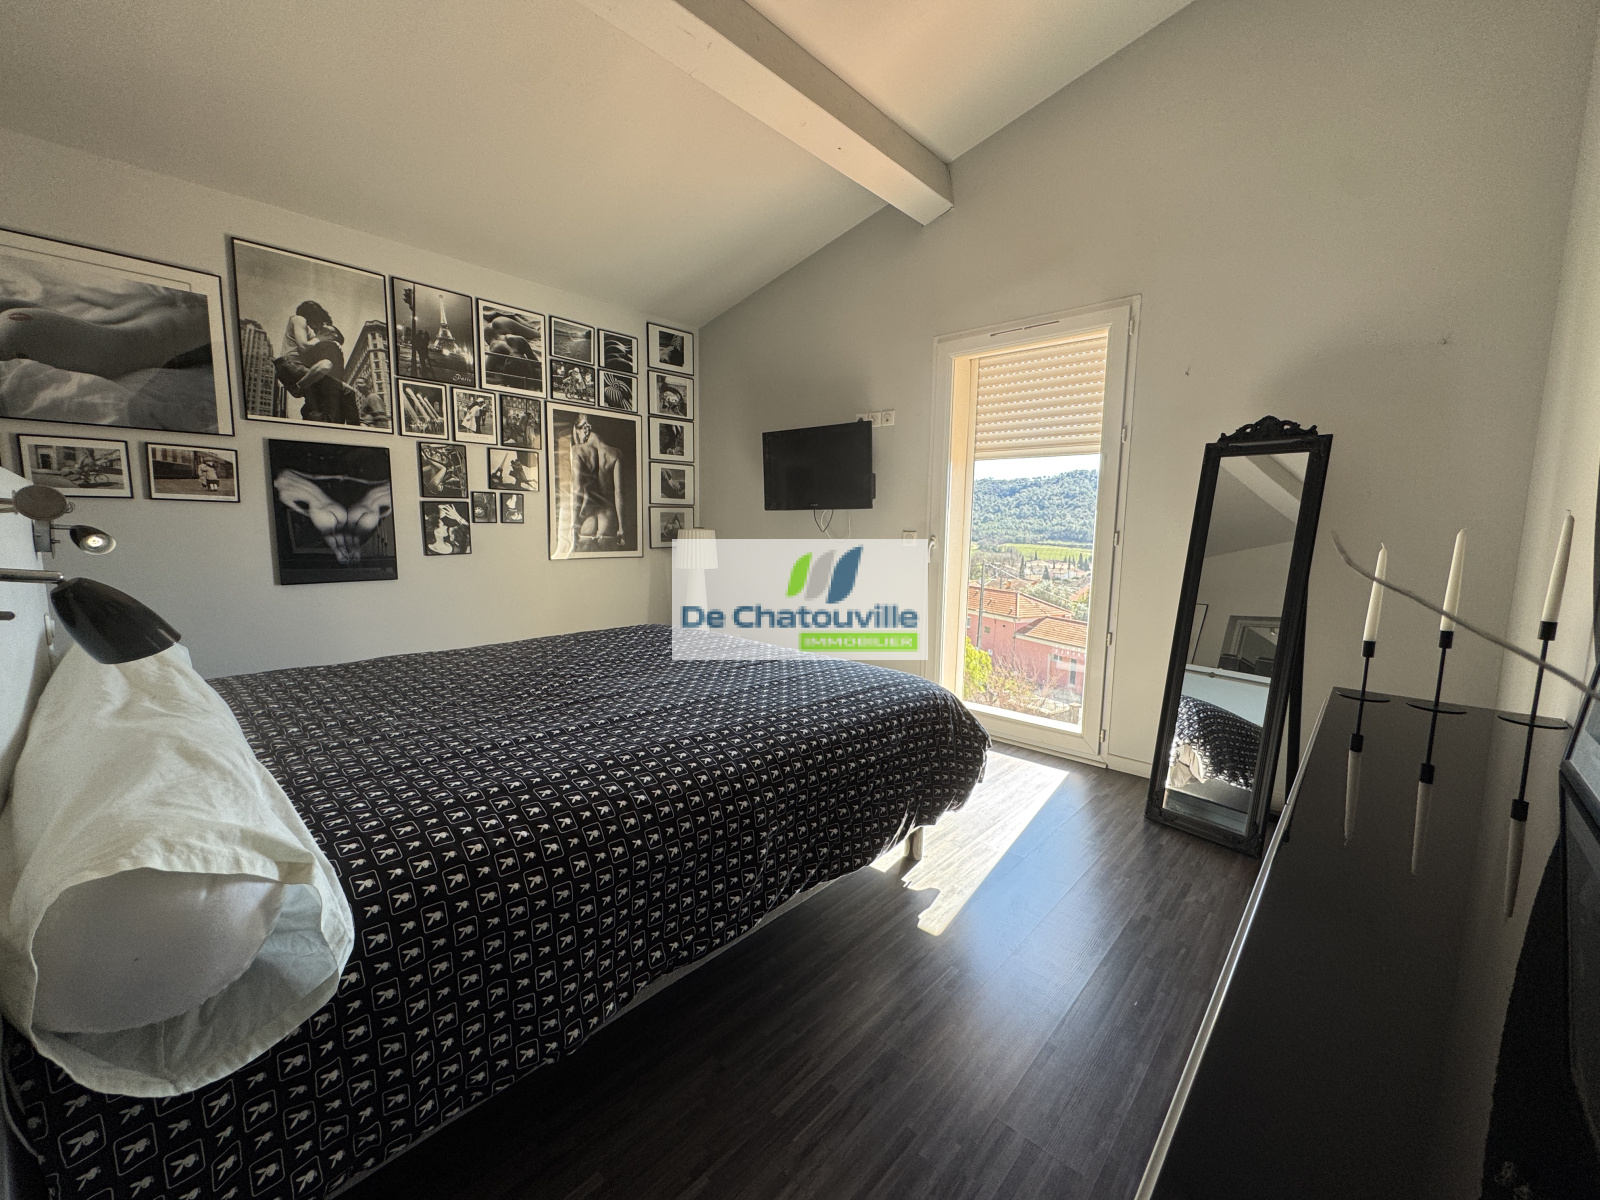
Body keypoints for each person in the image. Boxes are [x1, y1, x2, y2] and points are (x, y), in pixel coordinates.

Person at [0, 289, 210, 380]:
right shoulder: (206, 320)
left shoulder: (167, 301)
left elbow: (95, 295)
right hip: (31, 329)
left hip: (33, 322)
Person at [275, 300, 361, 425]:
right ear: (312, 315)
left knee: (349, 391)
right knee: (326, 365)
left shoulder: (311, 333)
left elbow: (326, 341)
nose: (317, 327)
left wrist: (330, 341)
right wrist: (320, 338)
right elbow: (303, 346)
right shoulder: (299, 319)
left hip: (296, 370)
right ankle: (298, 388)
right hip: (289, 364)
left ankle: (355, 429)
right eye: (317, 322)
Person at [569, 415, 625, 553]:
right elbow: (619, 493)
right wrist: (622, 528)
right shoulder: (615, 453)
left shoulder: (577, 451)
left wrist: (574, 526)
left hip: (587, 518)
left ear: (582, 429)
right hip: (609, 519)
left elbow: (577, 491)